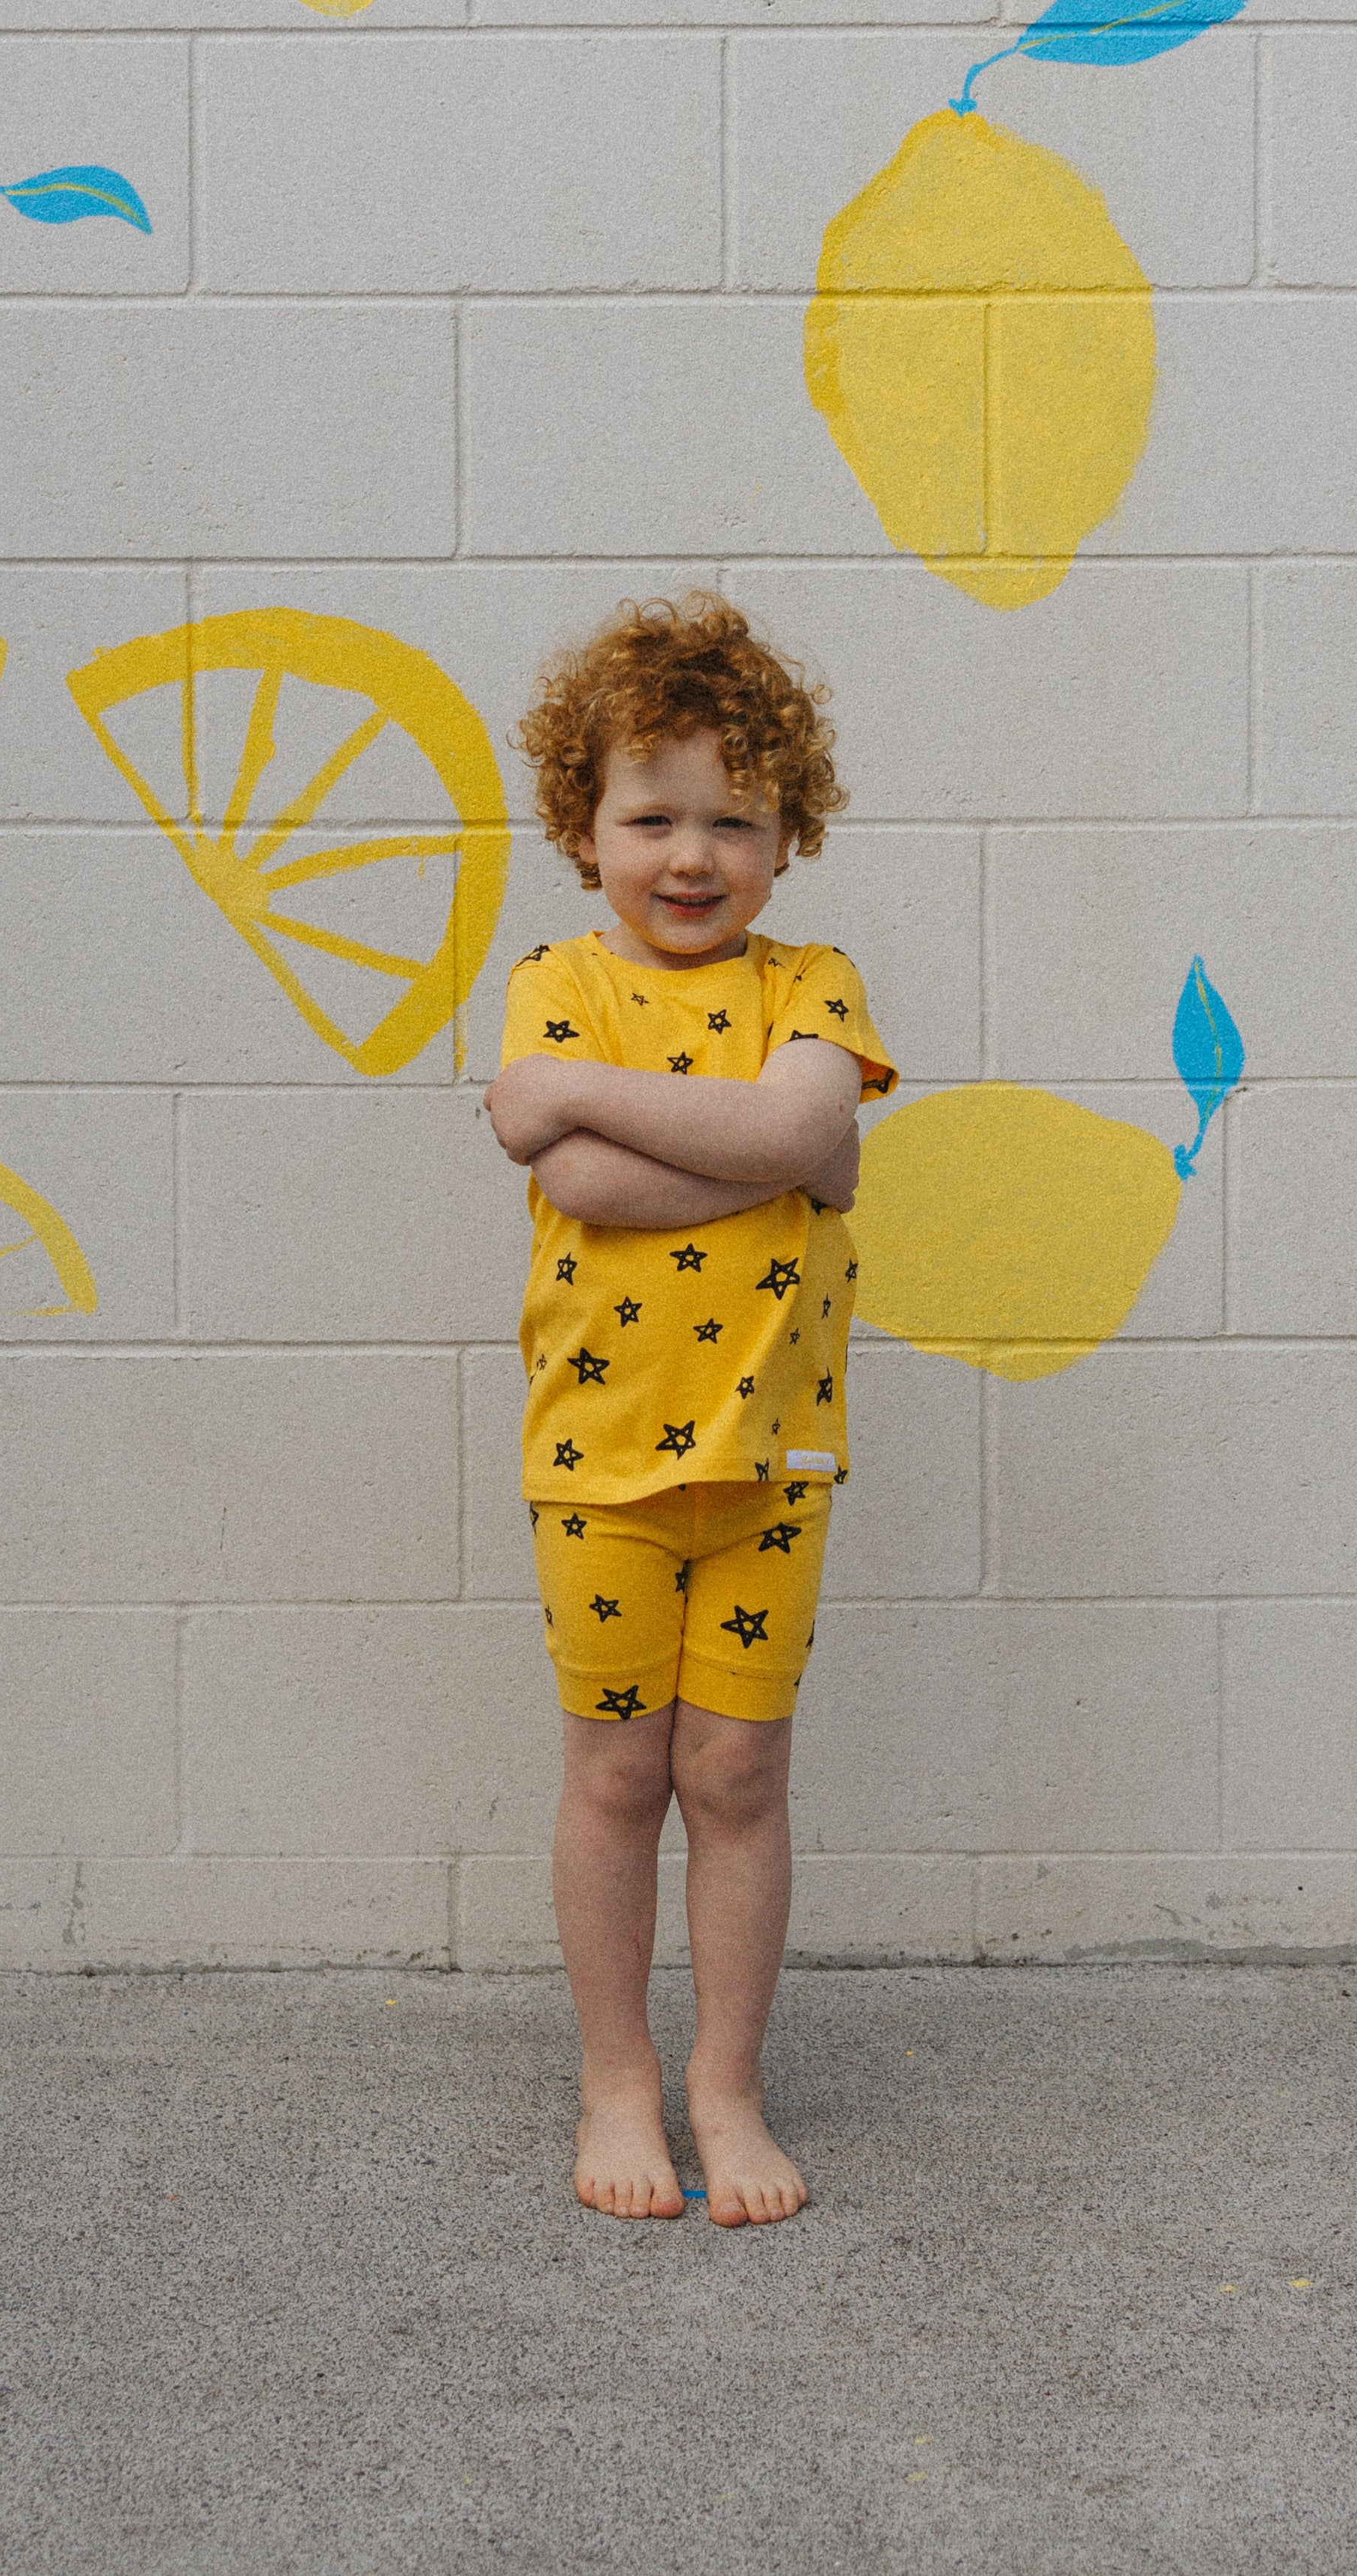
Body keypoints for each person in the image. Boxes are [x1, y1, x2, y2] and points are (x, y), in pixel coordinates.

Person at [486, 594, 893, 2228]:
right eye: (649, 815)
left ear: (786, 835)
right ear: (583, 832)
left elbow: (795, 1132)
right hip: (596, 1466)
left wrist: (575, 1099)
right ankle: (616, 2078)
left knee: (733, 1776)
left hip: (772, 1465)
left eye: (734, 818)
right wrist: (767, 1153)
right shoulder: (554, 977)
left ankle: (724, 2081)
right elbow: (603, 1174)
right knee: (614, 1778)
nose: (689, 853)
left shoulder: (813, 981)